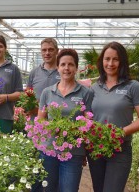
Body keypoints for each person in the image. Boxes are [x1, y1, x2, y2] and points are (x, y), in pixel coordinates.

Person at [87, 41, 139, 192]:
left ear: (121, 61)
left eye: (115, 59)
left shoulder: (132, 86)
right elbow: (88, 116)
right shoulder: (95, 88)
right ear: (101, 61)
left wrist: (121, 132)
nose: (110, 63)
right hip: (96, 149)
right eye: (107, 59)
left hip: (120, 150)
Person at [32, 48, 93, 192]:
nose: (67, 68)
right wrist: (51, 128)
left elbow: (89, 121)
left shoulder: (86, 93)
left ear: (76, 68)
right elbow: (40, 120)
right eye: (63, 64)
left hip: (73, 152)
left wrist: (73, 131)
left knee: (69, 189)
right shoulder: (47, 92)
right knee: (48, 188)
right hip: (49, 150)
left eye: (71, 64)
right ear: (58, 67)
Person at [27, 38, 60, 116]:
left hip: (56, 119)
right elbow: (27, 94)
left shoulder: (63, 72)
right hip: (36, 119)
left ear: (57, 51)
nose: (47, 53)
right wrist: (30, 107)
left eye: (51, 50)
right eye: (44, 50)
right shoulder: (34, 72)